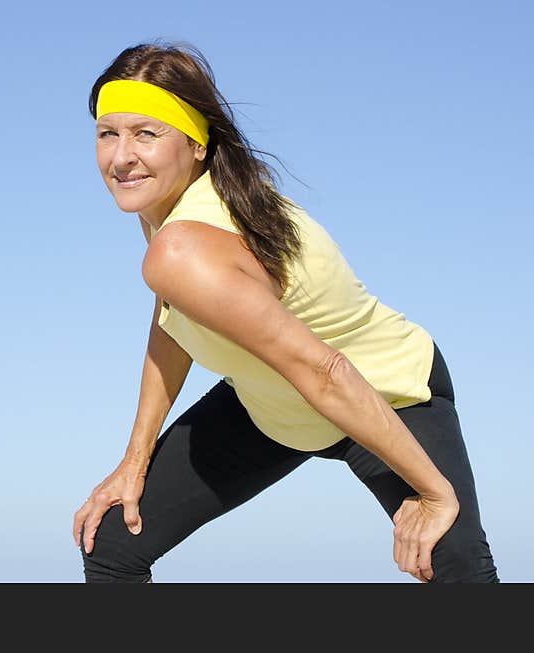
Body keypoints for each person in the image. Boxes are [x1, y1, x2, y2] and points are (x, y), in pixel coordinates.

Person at [72, 41, 499, 583]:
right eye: (108, 133)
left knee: (456, 570)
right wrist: (132, 464)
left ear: (197, 144)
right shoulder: (168, 210)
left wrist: (436, 496)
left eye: (147, 134)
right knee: (112, 542)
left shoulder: (183, 243)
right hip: (275, 405)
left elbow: (327, 371)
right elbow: (174, 322)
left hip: (386, 393)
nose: (120, 156)